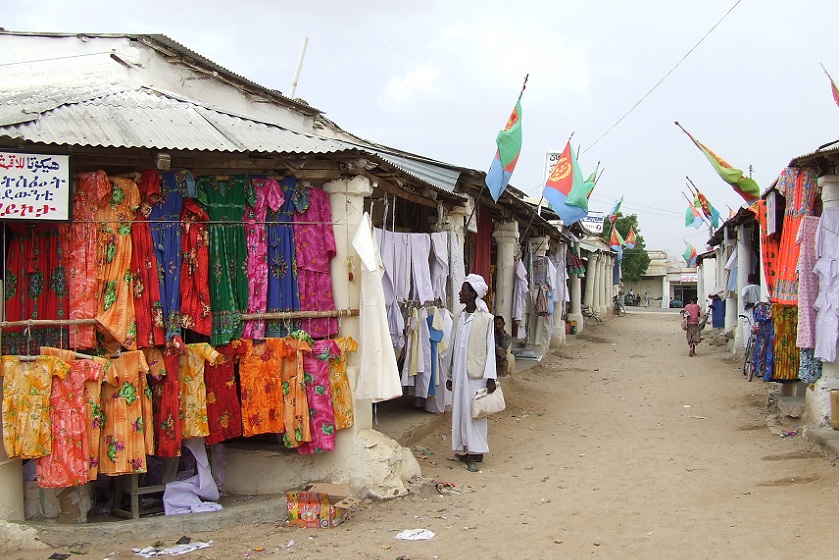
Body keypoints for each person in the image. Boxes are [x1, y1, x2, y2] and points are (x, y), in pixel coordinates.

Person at [446, 274, 497, 473]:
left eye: (464, 290)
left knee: (475, 411)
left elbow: (489, 348)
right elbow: (452, 347)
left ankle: (475, 452)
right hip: (459, 373)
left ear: (473, 294)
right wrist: (450, 374)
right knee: (461, 410)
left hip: (476, 374)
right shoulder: (458, 317)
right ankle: (466, 449)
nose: (460, 293)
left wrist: (491, 376)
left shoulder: (486, 319)